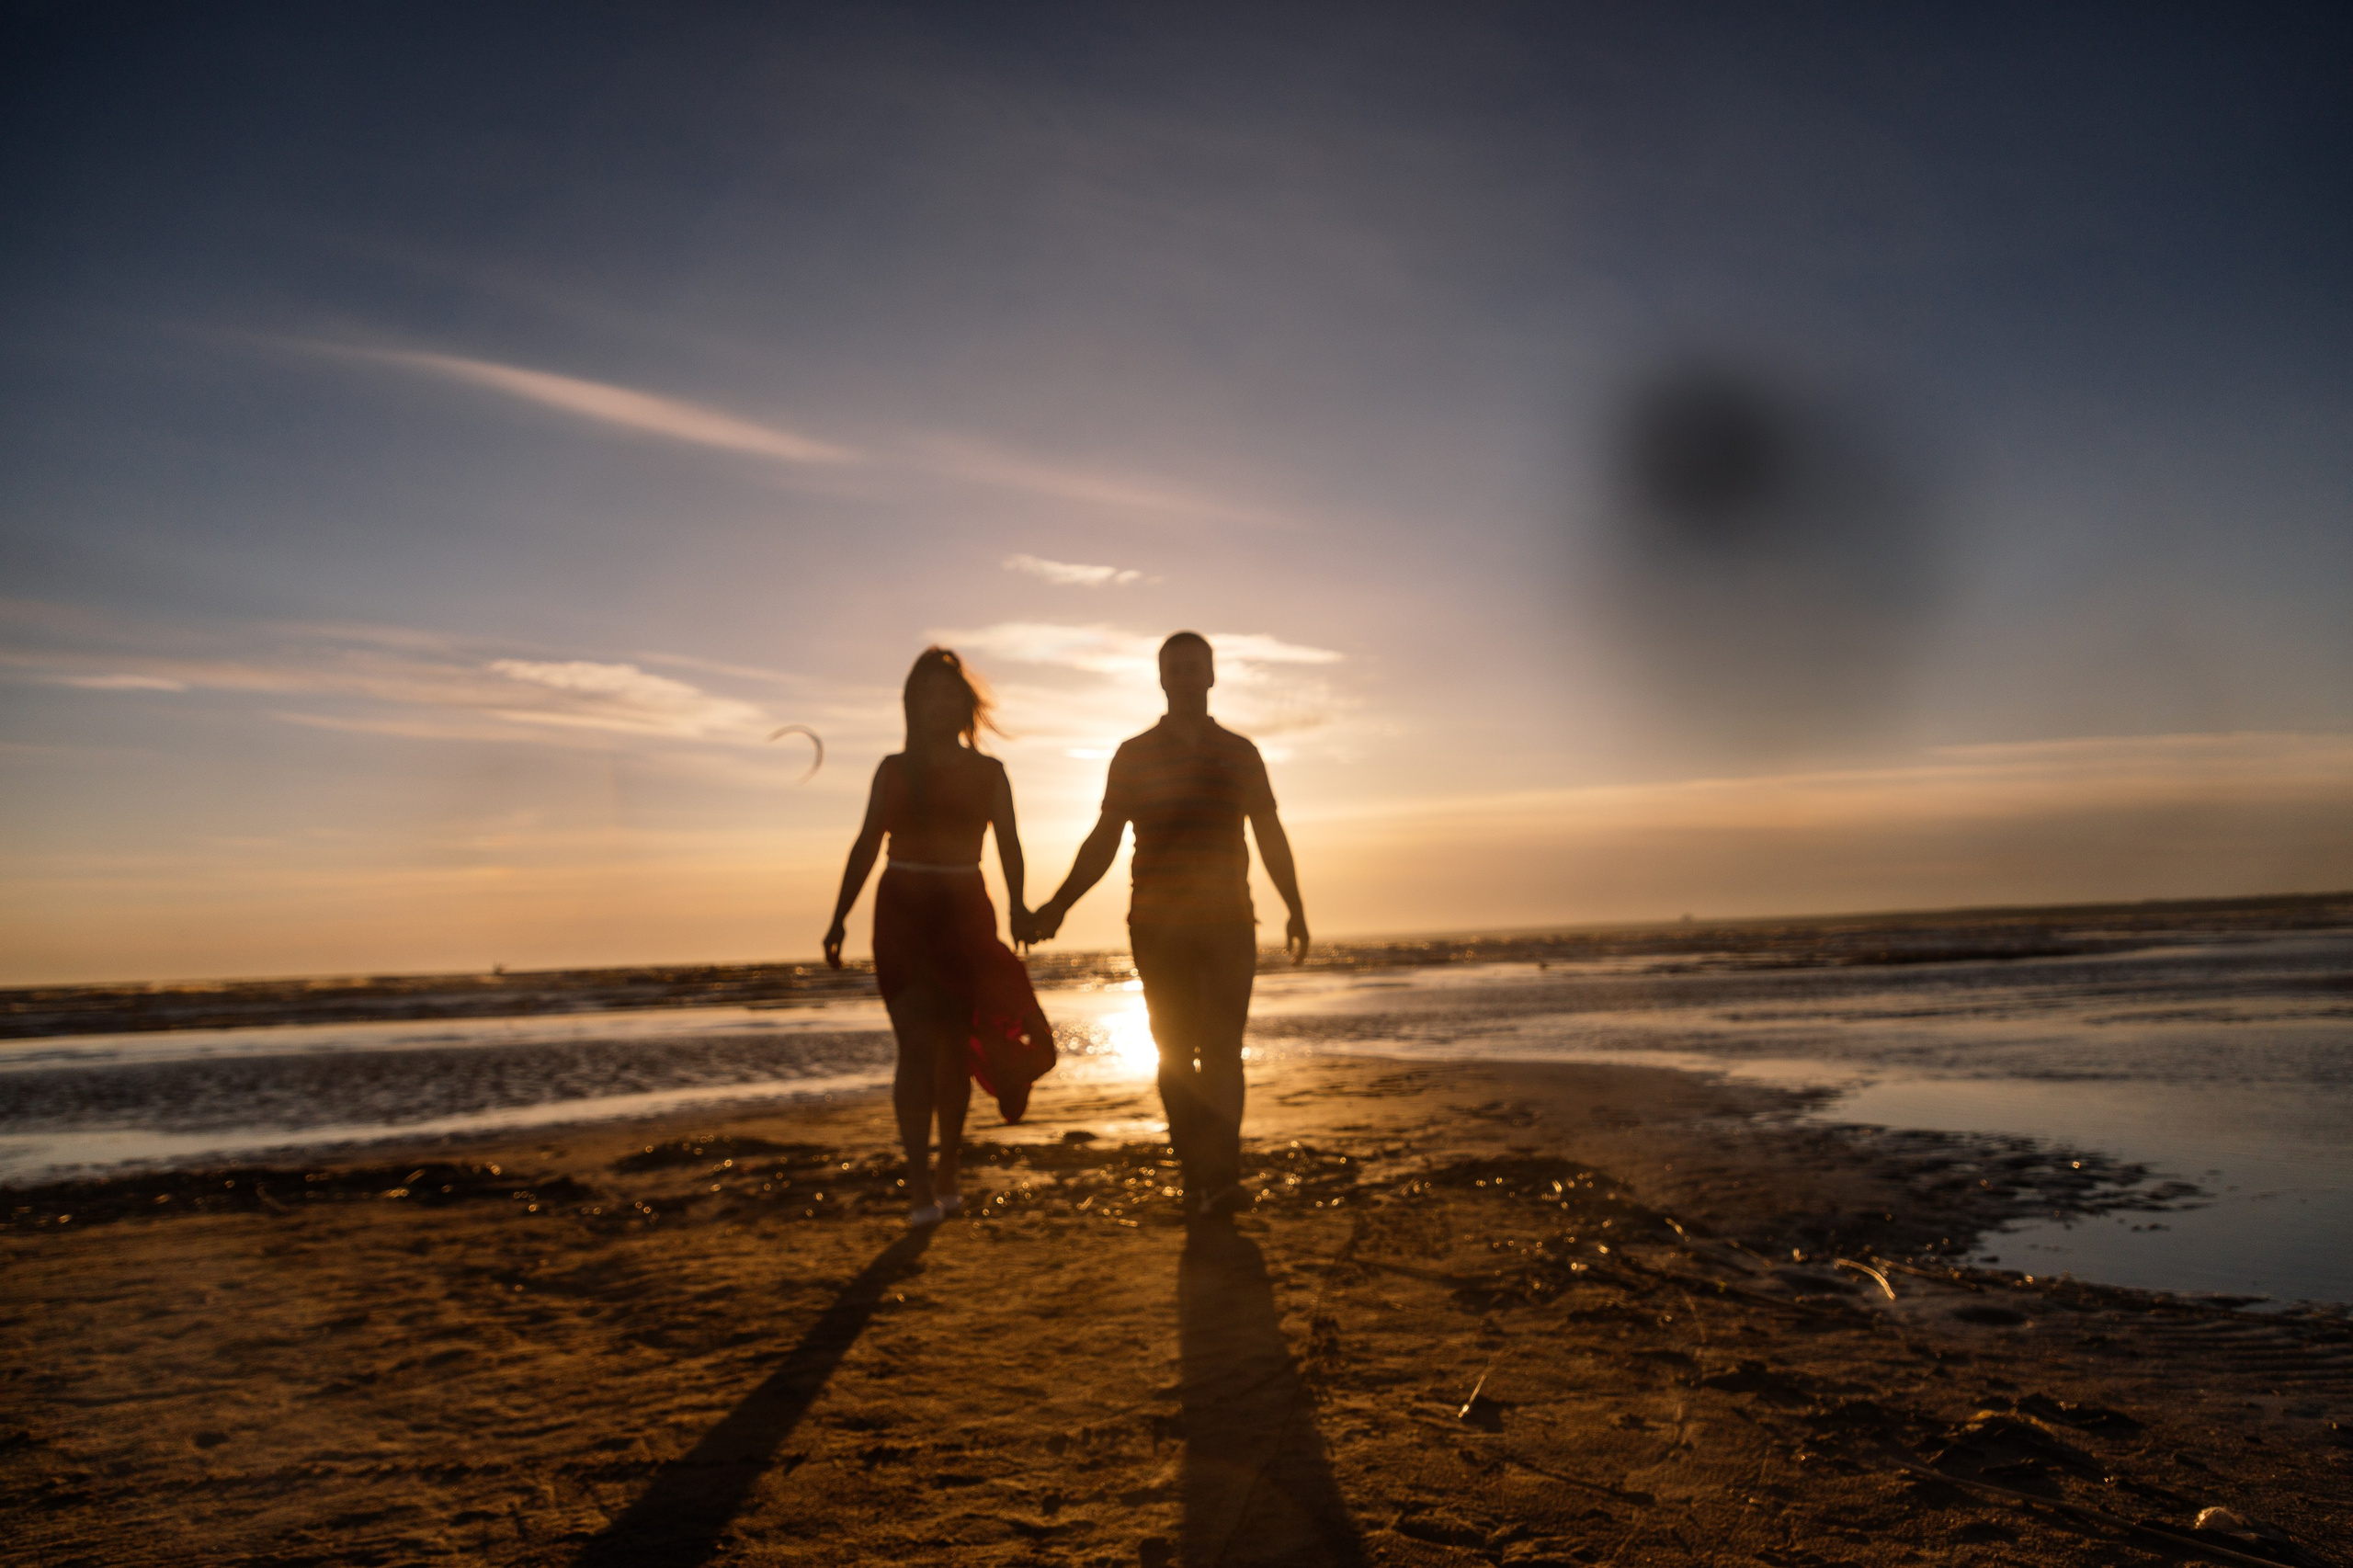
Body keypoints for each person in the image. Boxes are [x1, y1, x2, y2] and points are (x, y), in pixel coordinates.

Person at [1032, 631, 1308, 1219]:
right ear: (1161, 679)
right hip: (1158, 927)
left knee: (1225, 1051)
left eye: (1194, 668)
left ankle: (1222, 1176)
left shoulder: (1240, 752)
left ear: (1212, 676)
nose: (1185, 678)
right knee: (1176, 1053)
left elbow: (1270, 833)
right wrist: (1058, 905)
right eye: (1175, 669)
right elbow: (1104, 839)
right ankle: (1197, 1174)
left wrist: (1296, 906)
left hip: (1229, 922)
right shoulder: (1134, 755)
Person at [824, 647, 1054, 1227]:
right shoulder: (893, 769)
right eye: (926, 695)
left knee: (953, 1046)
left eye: (948, 694)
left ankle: (948, 1167)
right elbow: (865, 843)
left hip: (963, 908)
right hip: (901, 910)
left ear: (964, 705)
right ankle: (920, 1183)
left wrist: (1020, 906)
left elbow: (1009, 842)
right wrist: (839, 917)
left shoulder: (989, 772)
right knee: (914, 1046)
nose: (938, 705)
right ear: (912, 704)